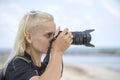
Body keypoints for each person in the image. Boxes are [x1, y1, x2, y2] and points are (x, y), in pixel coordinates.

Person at [4, 11, 73, 80]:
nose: (53, 40)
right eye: (48, 35)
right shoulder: (16, 66)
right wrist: (58, 51)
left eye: (54, 35)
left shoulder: (41, 67)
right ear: (29, 37)